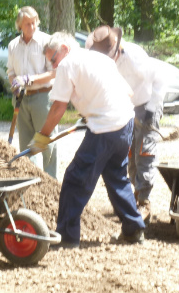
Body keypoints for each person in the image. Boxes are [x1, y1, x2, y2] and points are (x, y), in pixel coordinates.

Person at [29, 32, 145, 249]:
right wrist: (91, 112)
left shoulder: (67, 65)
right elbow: (127, 92)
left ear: (64, 48)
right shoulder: (100, 58)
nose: (53, 65)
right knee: (116, 176)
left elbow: (58, 108)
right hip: (125, 123)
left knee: (74, 179)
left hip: (105, 127)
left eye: (53, 59)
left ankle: (66, 236)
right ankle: (134, 228)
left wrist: (42, 137)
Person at [86, 25, 165, 224]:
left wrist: (151, 109)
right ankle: (134, 196)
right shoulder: (104, 62)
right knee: (128, 151)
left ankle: (144, 200)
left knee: (144, 150)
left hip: (148, 102)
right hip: (126, 106)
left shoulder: (135, 58)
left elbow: (159, 80)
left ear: (117, 49)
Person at [7, 6, 58, 177]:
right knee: (27, 144)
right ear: (19, 26)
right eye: (27, 24)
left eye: (34, 22)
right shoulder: (13, 45)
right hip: (21, 99)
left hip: (43, 97)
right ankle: (31, 181)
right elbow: (11, 72)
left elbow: (54, 71)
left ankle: (50, 180)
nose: (31, 27)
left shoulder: (46, 42)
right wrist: (14, 83)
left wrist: (30, 80)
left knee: (46, 141)